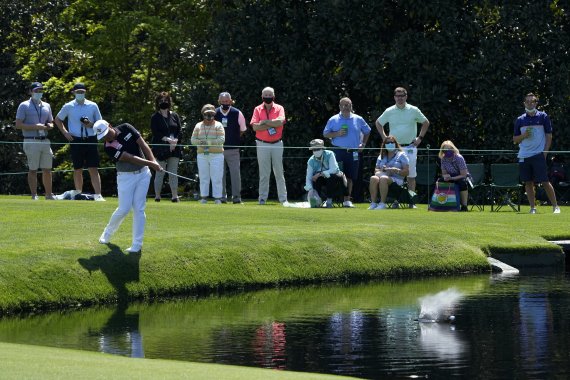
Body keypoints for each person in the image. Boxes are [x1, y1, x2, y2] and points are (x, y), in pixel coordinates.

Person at [95, 120, 162, 253]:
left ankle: (137, 244)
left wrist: (153, 161)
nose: (106, 137)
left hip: (143, 175)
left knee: (139, 209)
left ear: (109, 125)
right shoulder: (108, 147)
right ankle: (107, 233)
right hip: (126, 177)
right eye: (103, 136)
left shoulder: (126, 127)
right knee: (124, 209)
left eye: (107, 133)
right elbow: (129, 158)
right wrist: (151, 163)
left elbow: (142, 144)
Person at [376, 87, 429, 208]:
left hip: (410, 146)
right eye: (397, 96)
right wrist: (385, 138)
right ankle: (396, 201)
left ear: (406, 96)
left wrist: (419, 138)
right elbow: (378, 123)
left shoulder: (413, 110)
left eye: (402, 95)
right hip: (393, 148)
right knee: (394, 175)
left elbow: (426, 122)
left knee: (410, 175)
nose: (400, 98)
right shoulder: (389, 111)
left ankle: (411, 202)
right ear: (394, 97)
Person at [54, 83, 105, 201]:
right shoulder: (68, 106)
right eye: (78, 92)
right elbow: (57, 119)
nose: (80, 94)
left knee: (93, 167)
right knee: (77, 168)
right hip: (76, 139)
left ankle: (98, 195)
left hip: (91, 139)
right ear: (73, 93)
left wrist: (90, 124)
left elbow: (100, 123)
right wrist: (65, 133)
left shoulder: (93, 105)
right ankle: (78, 194)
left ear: (85, 92)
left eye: (82, 92)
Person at [513, 92, 560, 214]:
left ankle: (555, 207)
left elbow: (549, 136)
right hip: (524, 155)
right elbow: (515, 139)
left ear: (536, 103)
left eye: (532, 101)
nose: (530, 103)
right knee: (528, 182)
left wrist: (544, 152)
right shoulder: (520, 120)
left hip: (539, 154)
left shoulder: (543, 116)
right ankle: (532, 208)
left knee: (545, 181)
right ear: (524, 103)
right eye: (527, 101)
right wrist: (524, 135)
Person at [323, 97, 371, 208]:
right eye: (344, 105)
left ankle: (347, 200)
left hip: (353, 152)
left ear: (351, 106)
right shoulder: (333, 119)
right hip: (338, 151)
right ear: (340, 106)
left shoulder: (358, 119)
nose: (346, 107)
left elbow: (367, 131)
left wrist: (363, 144)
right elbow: (325, 134)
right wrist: (337, 133)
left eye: (348, 104)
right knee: (334, 175)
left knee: (350, 176)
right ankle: (329, 199)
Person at [15, 82, 55, 200]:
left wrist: (50, 126)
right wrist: (35, 127)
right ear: (30, 92)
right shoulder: (24, 105)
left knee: (47, 169)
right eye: (36, 91)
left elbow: (51, 122)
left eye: (40, 91)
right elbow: (18, 125)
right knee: (33, 169)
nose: (39, 93)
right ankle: (34, 195)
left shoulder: (47, 105)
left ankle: (48, 195)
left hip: (45, 140)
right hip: (30, 140)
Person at [250, 87, 287, 205]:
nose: (267, 96)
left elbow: (280, 122)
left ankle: (283, 199)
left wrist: (264, 122)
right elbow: (255, 127)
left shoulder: (280, 108)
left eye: (269, 94)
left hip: (277, 143)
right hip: (262, 144)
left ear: (274, 96)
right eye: (265, 94)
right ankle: (262, 199)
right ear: (262, 96)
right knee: (264, 173)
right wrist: (272, 123)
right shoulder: (257, 109)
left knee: (279, 173)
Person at [150, 91, 182, 203]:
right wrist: (168, 140)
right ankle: (157, 196)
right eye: (161, 101)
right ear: (157, 103)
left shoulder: (175, 115)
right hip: (161, 148)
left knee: (173, 172)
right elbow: (155, 133)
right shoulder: (155, 117)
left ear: (169, 102)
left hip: (175, 148)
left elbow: (179, 131)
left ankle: (174, 196)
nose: (164, 103)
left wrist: (175, 142)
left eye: (166, 101)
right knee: (160, 172)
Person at [215, 92, 247, 204]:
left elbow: (243, 129)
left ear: (230, 101)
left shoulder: (237, 113)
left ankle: (236, 198)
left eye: (227, 101)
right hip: (217, 150)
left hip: (233, 149)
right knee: (220, 175)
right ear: (219, 102)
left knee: (235, 174)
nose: (225, 103)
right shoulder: (214, 113)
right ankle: (222, 198)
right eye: (223, 102)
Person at [191, 104, 225, 204]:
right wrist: (202, 143)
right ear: (203, 114)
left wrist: (207, 143)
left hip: (217, 155)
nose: (209, 116)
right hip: (202, 155)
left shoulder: (218, 125)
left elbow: (221, 139)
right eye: (207, 114)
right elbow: (193, 140)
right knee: (203, 176)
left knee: (217, 176)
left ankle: (217, 198)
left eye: (211, 113)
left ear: (214, 114)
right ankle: (204, 197)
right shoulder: (198, 125)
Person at [304, 139, 348, 208]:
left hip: (336, 177)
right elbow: (308, 177)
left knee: (331, 177)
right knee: (316, 180)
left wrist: (319, 174)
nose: (316, 151)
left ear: (322, 149)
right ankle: (317, 200)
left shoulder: (330, 154)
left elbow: (334, 169)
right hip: (322, 179)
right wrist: (310, 189)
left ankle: (329, 201)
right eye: (314, 150)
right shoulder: (311, 161)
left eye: (318, 149)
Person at [368, 135, 409, 210]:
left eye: (392, 142)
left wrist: (396, 170)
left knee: (383, 178)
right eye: (387, 143)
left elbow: (406, 172)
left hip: (397, 180)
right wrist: (383, 169)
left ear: (395, 143)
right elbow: (376, 170)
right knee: (373, 178)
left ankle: (382, 203)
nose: (390, 144)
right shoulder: (381, 156)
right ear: (384, 145)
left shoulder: (402, 155)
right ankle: (373, 203)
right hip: (383, 176)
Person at [438, 140, 469, 212]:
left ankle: (464, 206)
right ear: (442, 151)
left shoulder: (459, 158)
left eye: (449, 149)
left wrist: (453, 178)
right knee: (440, 181)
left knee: (463, 183)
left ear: (453, 149)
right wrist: (446, 176)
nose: (448, 151)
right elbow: (444, 173)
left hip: (460, 177)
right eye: (446, 150)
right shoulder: (443, 159)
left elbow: (463, 174)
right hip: (450, 177)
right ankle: (443, 204)